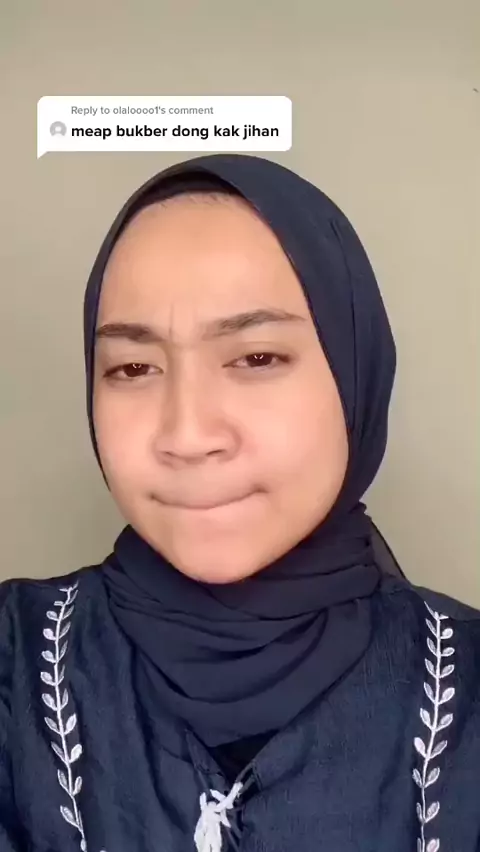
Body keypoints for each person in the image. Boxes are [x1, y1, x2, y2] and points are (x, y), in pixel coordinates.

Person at [1, 154, 479, 852]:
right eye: (132, 367)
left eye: (256, 358)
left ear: (355, 373)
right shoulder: (15, 663)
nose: (188, 435)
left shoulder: (466, 689)